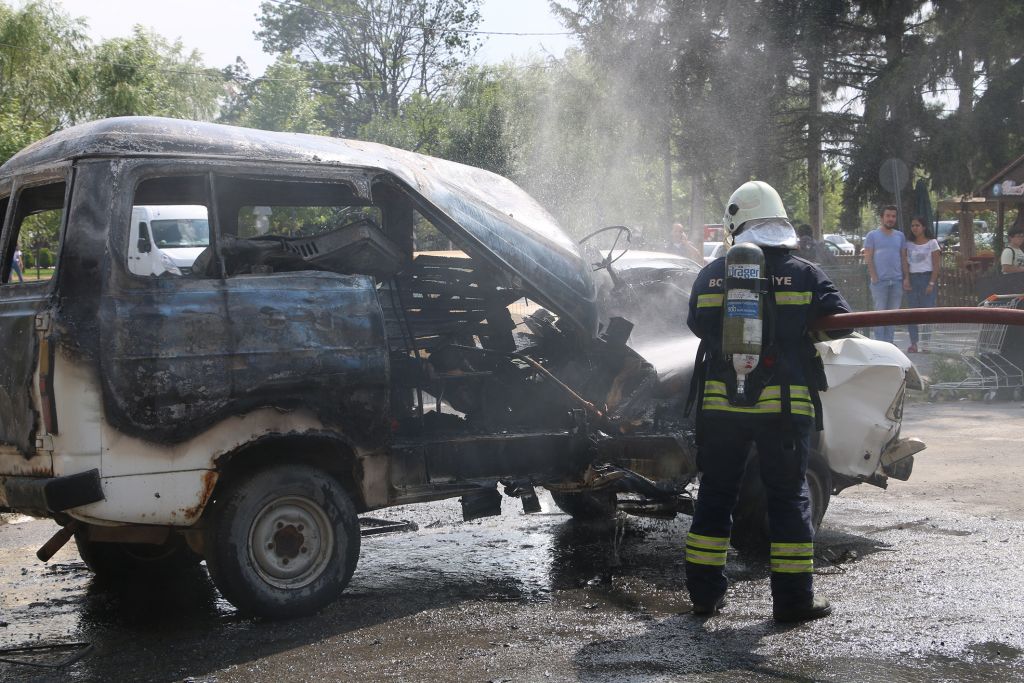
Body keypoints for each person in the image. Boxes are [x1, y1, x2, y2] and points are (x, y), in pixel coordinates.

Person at [685, 180, 851, 622]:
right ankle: (793, 602)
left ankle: (704, 595)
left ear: (735, 225)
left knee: (716, 495)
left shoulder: (713, 274)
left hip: (722, 407)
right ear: (780, 222)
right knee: (787, 497)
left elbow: (697, 323)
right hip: (784, 408)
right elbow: (841, 326)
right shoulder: (806, 273)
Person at [863, 205, 907, 344]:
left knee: (893, 315)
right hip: (879, 282)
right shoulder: (872, 235)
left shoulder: (900, 236)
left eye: (893, 216)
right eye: (888, 216)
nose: (890, 219)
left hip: (897, 281)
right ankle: (880, 344)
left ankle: (890, 344)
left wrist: (906, 278)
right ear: (882, 217)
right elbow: (868, 257)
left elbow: (904, 258)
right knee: (880, 314)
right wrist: (874, 277)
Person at [902, 216, 940, 353]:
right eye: (912, 225)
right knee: (912, 313)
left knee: (928, 313)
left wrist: (931, 282)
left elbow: (936, 265)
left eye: (917, 225)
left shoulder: (932, 243)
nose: (915, 228)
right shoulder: (908, 244)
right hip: (912, 278)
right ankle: (914, 343)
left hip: (926, 277)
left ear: (923, 227)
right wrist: (906, 278)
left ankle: (926, 344)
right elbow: (905, 262)